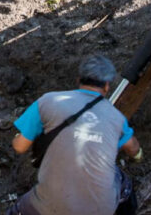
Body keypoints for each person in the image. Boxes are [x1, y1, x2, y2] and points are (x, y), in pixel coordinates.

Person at [9, 54, 142, 215]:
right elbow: (133, 148)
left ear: (79, 80)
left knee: (18, 211)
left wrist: (18, 138)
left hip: (46, 207)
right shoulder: (116, 118)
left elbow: (20, 146)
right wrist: (138, 156)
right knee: (123, 185)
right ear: (106, 86)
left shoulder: (48, 101)